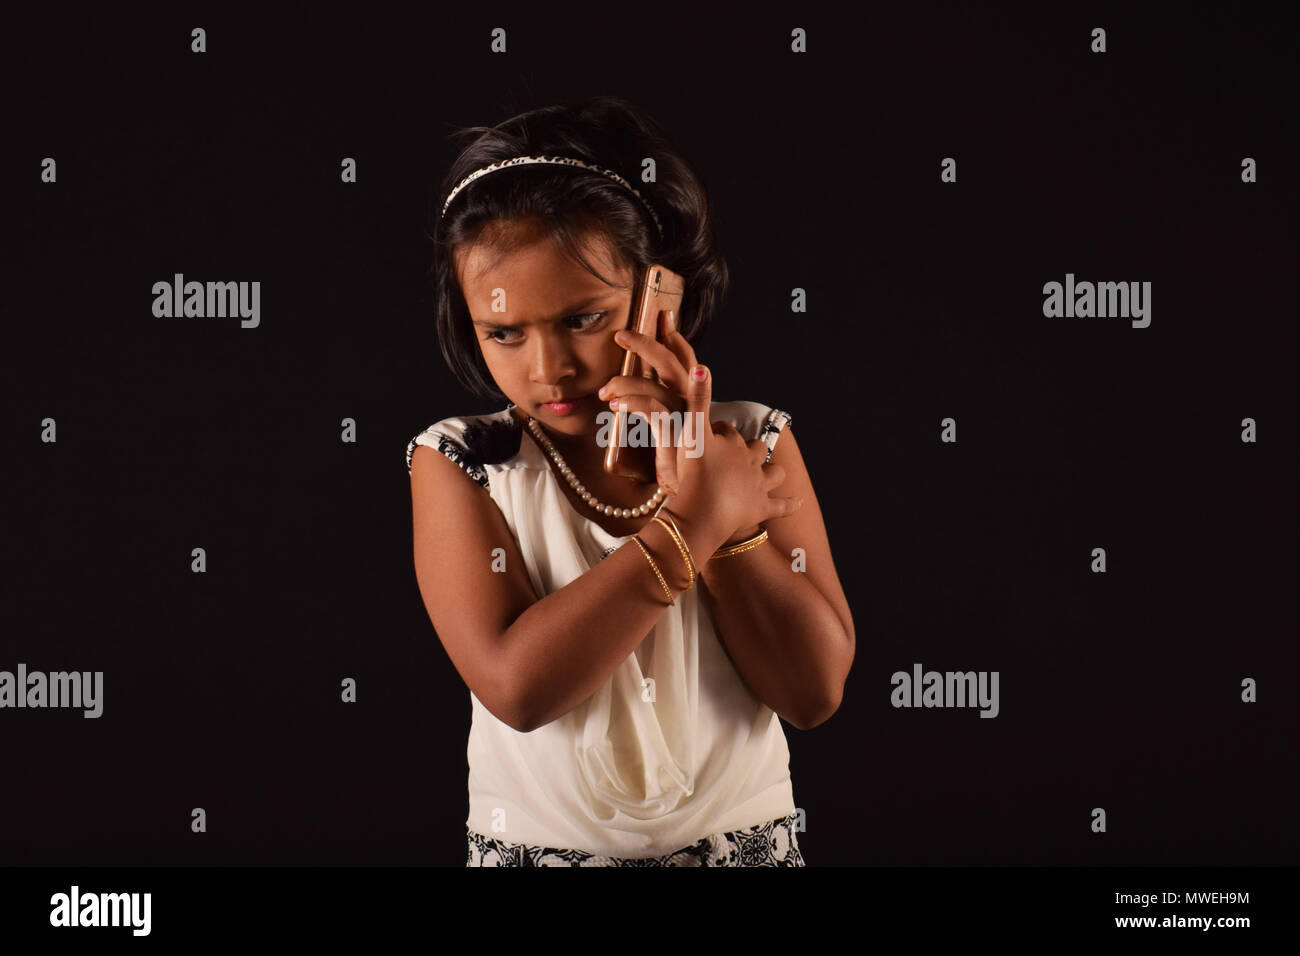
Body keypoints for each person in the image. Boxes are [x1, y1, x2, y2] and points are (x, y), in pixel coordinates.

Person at [407, 95, 855, 866]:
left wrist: (733, 530)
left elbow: (813, 693)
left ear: (658, 299)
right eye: (505, 332)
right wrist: (692, 527)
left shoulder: (751, 441)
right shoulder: (463, 461)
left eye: (583, 319)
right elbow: (518, 690)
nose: (548, 368)